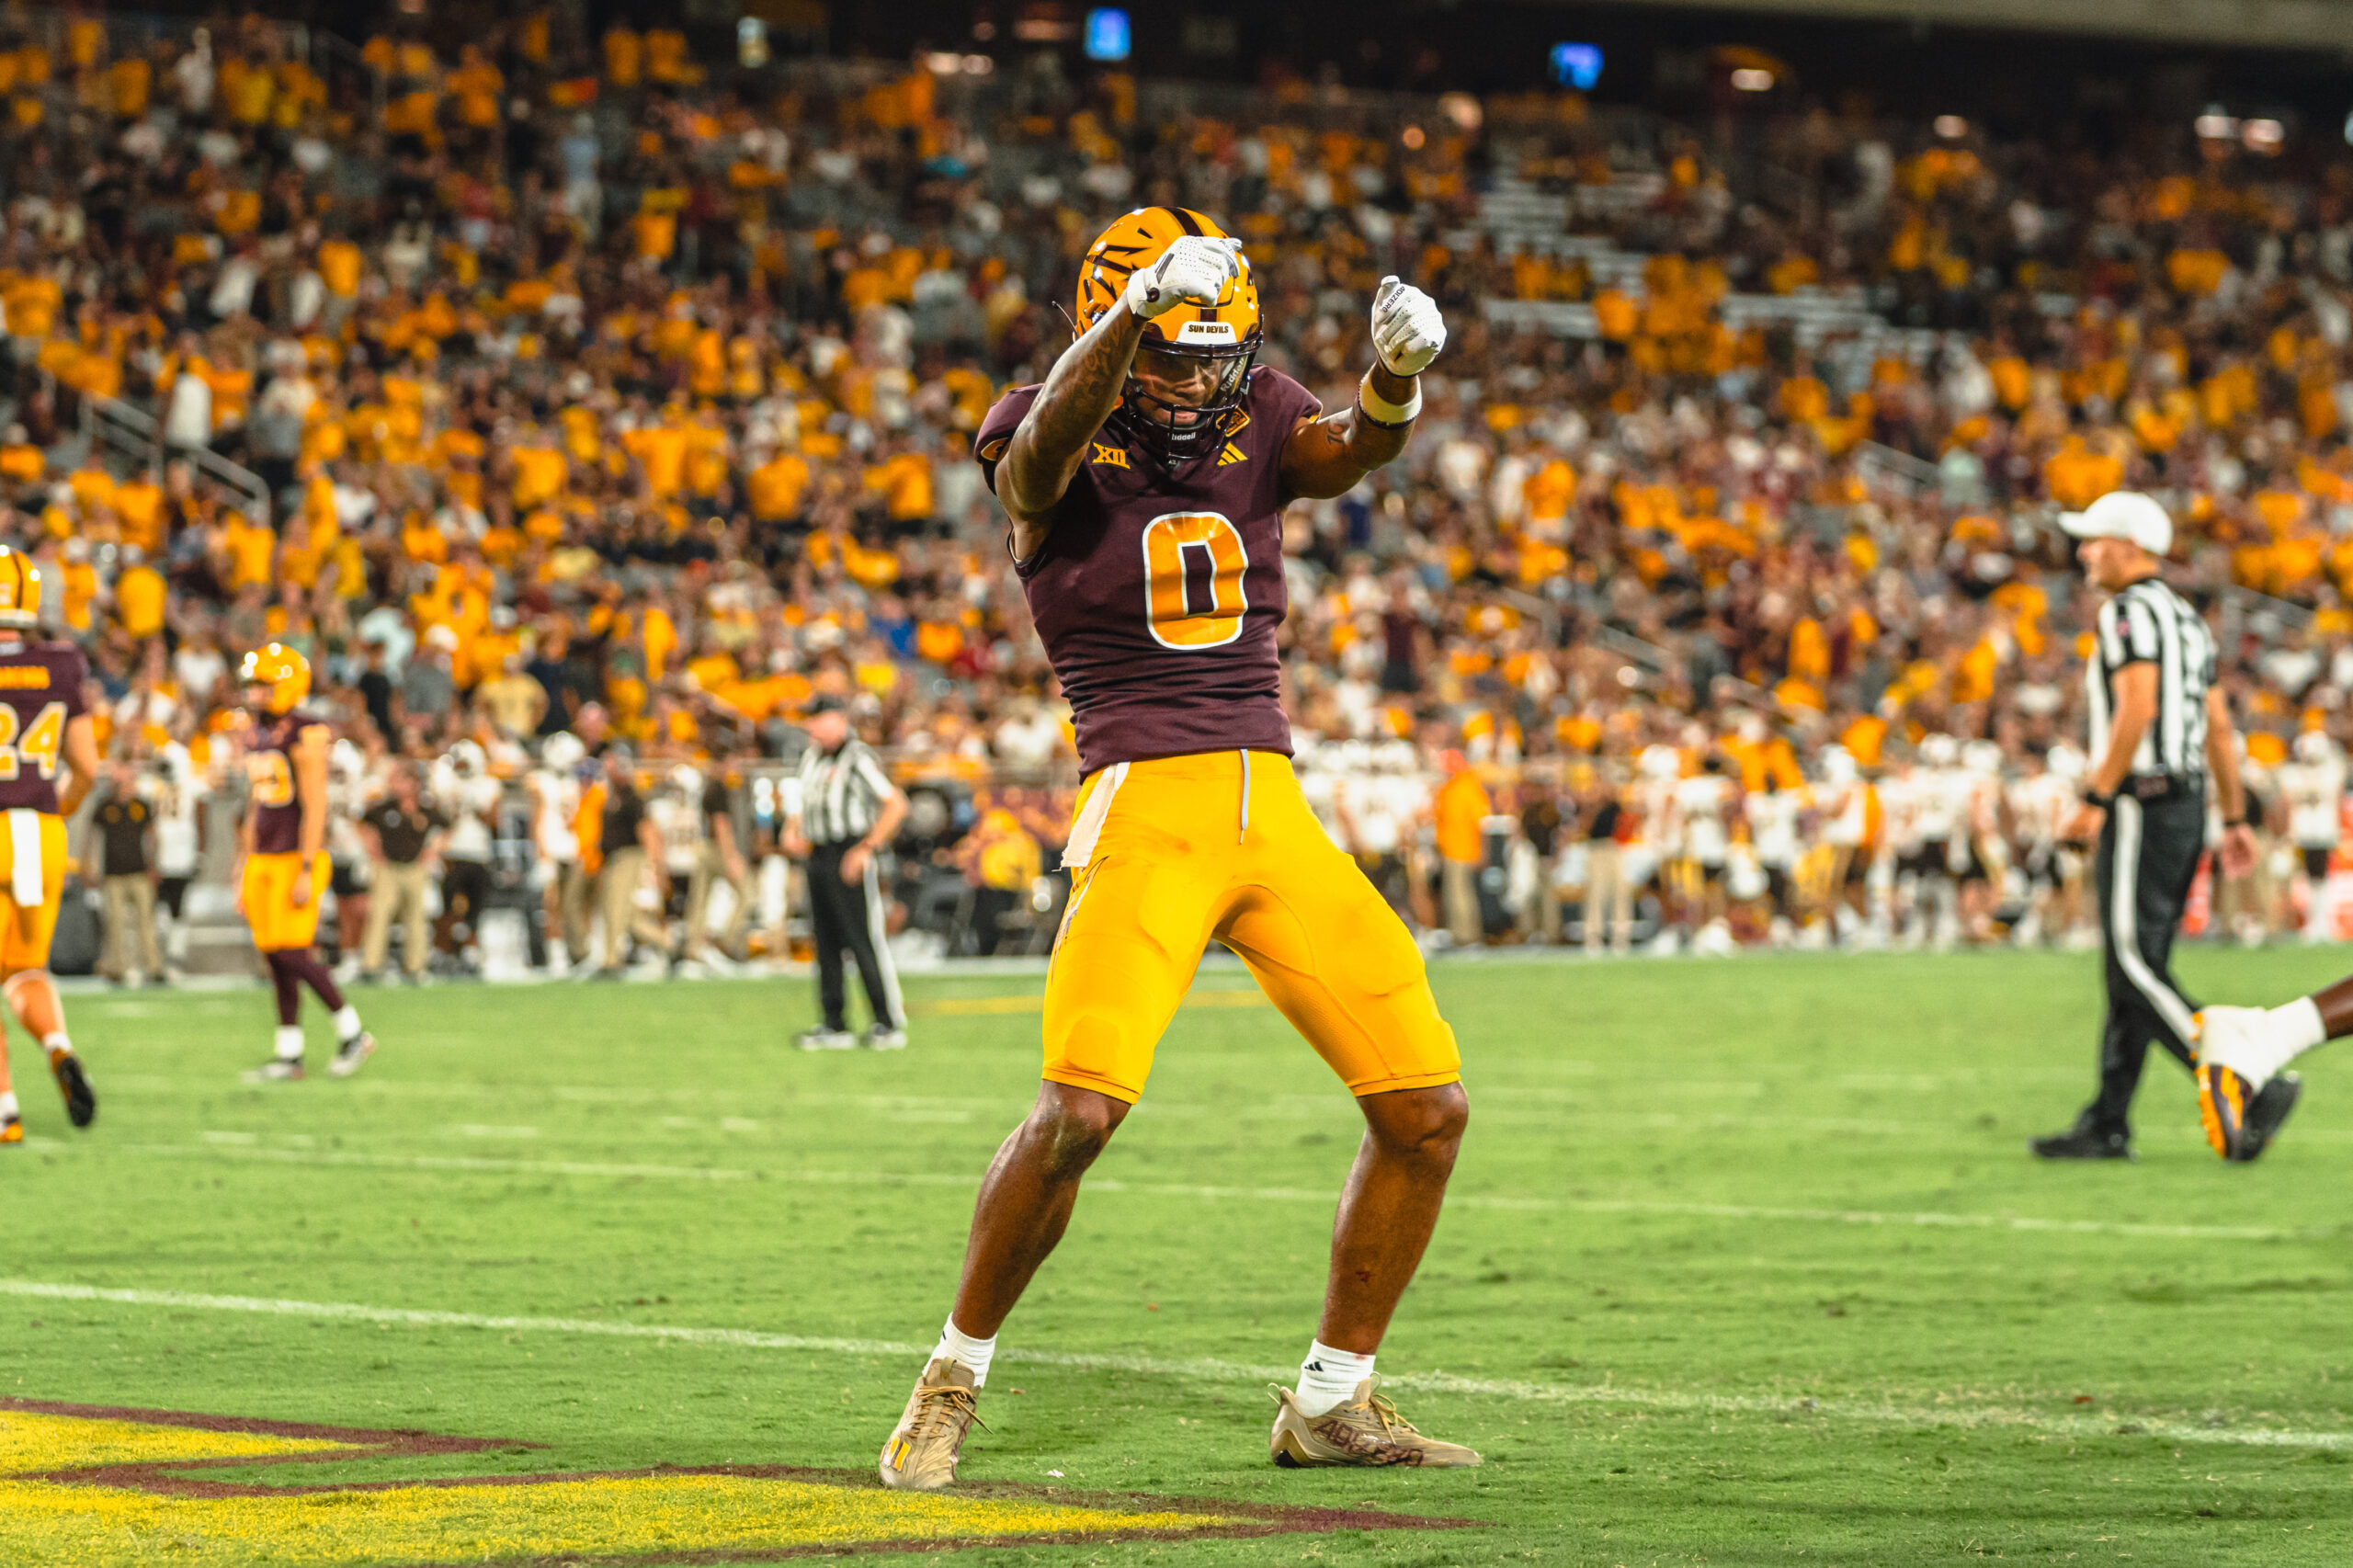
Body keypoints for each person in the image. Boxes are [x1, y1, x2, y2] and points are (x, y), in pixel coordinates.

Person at [876, 210, 1474, 1493]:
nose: (1200, 376)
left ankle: (1332, 1398)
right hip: (1144, 801)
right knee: (1078, 1110)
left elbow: (1339, 452)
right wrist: (1134, 313)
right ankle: (952, 1373)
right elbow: (1032, 471)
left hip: (1271, 805)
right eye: (1174, 346)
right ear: (1121, 318)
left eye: (1217, 351)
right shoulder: (1040, 415)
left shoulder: (1253, 404)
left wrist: (1396, 382)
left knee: (1426, 1109)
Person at [2030, 493, 2267, 1161]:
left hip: (2142, 800)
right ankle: (2108, 1120)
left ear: (2129, 546)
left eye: (2094, 540)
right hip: (2187, 804)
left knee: (2132, 965)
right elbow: (2218, 725)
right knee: (2135, 967)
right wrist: (2234, 813)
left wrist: (2096, 798)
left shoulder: (2128, 612)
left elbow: (2137, 707)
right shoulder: (2189, 620)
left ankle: (2244, 1072)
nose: (2083, 552)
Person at [235, 643, 377, 1080]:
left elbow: (315, 804)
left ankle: (352, 1031)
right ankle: (289, 1053)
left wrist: (309, 865)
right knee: (275, 957)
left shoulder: (305, 731)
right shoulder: (257, 732)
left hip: (293, 857)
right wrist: (243, 861)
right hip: (263, 854)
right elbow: (256, 802)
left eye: (263, 685)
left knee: (293, 952)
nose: (254, 693)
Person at [0, 549, 97, 1143]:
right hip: (39, 829)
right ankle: (57, 1044)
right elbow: (86, 767)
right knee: (23, 969)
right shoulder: (61, 663)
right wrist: (50, 813)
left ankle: (5, 1108)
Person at [784, 696, 907, 1048]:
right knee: (824, 942)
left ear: (839, 720)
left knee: (862, 938)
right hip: (818, 853)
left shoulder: (857, 757)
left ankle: (886, 1021)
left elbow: (895, 804)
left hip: (848, 849)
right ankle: (833, 1021)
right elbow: (802, 803)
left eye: (819, 718)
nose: (812, 726)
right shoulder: (811, 757)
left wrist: (866, 847)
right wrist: (792, 830)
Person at [358, 763, 444, 983]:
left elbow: (445, 828)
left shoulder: (425, 809)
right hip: (388, 867)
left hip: (415, 868)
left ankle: (416, 967)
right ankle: (371, 965)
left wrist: (432, 852)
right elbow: (363, 825)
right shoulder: (384, 808)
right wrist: (374, 851)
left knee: (416, 917)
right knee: (379, 915)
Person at [88, 760, 162, 985]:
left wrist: (153, 864)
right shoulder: (104, 807)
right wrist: (90, 866)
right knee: (115, 923)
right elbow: (91, 838)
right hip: (113, 873)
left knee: (145, 922)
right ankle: (116, 968)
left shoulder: (141, 806)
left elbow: (152, 837)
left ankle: (152, 967)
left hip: (139, 871)